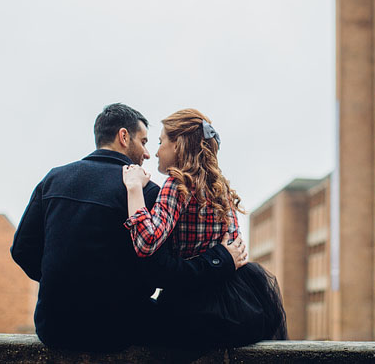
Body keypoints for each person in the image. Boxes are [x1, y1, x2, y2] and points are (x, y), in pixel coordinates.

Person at [10, 103, 247, 351]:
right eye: (144, 142)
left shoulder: (53, 179)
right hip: (120, 328)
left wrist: (66, 286)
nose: (147, 153)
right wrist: (219, 259)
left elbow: (22, 250)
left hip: (54, 327)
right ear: (124, 137)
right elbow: (162, 272)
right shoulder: (147, 191)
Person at [122, 108, 287, 347]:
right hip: (234, 304)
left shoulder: (176, 184)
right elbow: (235, 247)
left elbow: (147, 242)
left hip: (191, 308)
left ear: (177, 144)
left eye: (160, 142)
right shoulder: (219, 186)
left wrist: (134, 188)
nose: (155, 152)